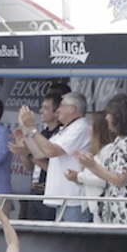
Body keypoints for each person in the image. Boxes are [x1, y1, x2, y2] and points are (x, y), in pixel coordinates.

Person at [77, 94, 127, 225]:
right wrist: (90, 165)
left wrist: (92, 166)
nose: (107, 118)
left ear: (120, 117)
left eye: (110, 114)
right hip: (116, 206)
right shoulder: (119, 141)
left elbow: (120, 180)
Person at [19, 92, 92, 222]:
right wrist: (26, 128)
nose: (58, 110)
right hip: (62, 199)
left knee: (73, 242)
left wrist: (32, 127)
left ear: (72, 108)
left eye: (61, 106)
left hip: (74, 199)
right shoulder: (65, 129)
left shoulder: (81, 127)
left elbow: (51, 151)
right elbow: (39, 152)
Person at [8, 94, 62, 220]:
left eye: (45, 108)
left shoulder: (60, 134)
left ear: (56, 112)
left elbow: (52, 168)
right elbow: (28, 167)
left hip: (49, 192)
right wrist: (23, 151)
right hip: (34, 191)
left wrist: (29, 153)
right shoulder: (41, 134)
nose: (41, 111)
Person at [64, 113, 115, 223]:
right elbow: (93, 179)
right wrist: (77, 178)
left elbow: (107, 180)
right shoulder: (98, 151)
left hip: (104, 209)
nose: (89, 128)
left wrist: (79, 176)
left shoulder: (109, 150)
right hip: (94, 209)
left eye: (91, 125)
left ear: (99, 129)